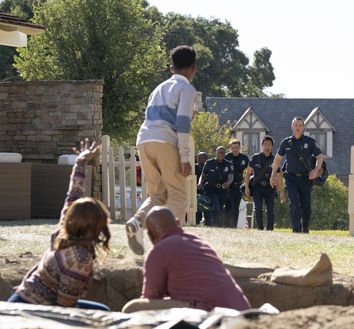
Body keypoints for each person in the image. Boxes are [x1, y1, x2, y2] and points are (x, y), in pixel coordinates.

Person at [8, 139, 111, 311]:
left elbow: (73, 194)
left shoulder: (62, 233)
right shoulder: (79, 259)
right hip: (32, 310)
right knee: (103, 312)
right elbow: (65, 307)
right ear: (97, 227)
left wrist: (81, 162)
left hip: (20, 298)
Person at [125, 45, 197, 256]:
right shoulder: (187, 89)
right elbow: (183, 123)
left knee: (158, 194)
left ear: (171, 67)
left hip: (144, 140)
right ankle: (170, 245)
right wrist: (185, 157)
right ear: (193, 69)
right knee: (177, 195)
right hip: (165, 141)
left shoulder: (158, 88)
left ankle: (137, 223)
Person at [121, 206, 251, 313]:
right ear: (178, 223)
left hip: (208, 311)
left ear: (150, 235)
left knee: (133, 308)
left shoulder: (158, 252)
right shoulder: (199, 241)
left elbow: (151, 298)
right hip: (241, 308)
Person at [270, 117, 324, 233]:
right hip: (291, 178)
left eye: (300, 125)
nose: (298, 127)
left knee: (306, 207)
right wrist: (273, 175)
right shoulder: (286, 142)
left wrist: (315, 171)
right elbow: (278, 159)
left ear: (303, 128)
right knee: (294, 203)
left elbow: (320, 157)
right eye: (296, 125)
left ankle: (305, 228)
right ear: (292, 127)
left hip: (306, 178)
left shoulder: (309, 142)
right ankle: (296, 229)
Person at [245, 136, 285, 231]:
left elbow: (279, 176)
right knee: (258, 208)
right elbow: (247, 174)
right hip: (257, 187)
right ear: (262, 146)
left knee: (270, 210)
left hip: (270, 187)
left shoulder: (275, 159)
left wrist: (282, 192)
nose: (267, 147)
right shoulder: (255, 158)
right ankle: (260, 228)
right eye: (265, 145)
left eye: (269, 145)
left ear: (272, 147)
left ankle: (270, 229)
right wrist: (247, 187)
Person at [198, 146, 234, 227]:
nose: (221, 154)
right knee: (216, 206)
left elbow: (231, 176)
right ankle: (217, 226)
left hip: (222, 190)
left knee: (220, 208)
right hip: (211, 188)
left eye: (223, 152)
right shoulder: (209, 162)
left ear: (225, 154)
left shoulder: (229, 164)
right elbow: (203, 175)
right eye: (219, 152)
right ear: (216, 153)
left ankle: (214, 225)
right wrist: (200, 183)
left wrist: (228, 183)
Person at [225, 139, 249, 227]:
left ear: (240, 148)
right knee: (229, 206)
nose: (235, 149)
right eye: (233, 148)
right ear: (230, 148)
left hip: (238, 186)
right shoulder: (226, 157)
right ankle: (227, 226)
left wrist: (245, 182)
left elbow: (249, 171)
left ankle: (234, 226)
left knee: (236, 208)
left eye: (237, 147)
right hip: (228, 187)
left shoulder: (244, 158)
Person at [195, 151, 209, 225]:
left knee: (207, 209)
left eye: (203, 158)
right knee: (197, 211)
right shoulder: (194, 167)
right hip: (195, 191)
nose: (200, 159)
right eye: (198, 157)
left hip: (206, 191)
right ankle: (196, 222)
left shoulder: (209, 166)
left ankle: (208, 223)